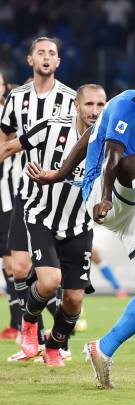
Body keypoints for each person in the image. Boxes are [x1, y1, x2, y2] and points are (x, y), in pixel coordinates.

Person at [27, 67, 135, 388]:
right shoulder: (124, 106)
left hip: (129, 204)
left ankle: (102, 349)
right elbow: (113, 153)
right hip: (104, 195)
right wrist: (102, 196)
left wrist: (60, 172)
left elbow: (91, 135)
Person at [0, 84, 106, 365]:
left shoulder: (109, 141)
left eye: (100, 105)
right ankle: (29, 324)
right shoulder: (51, 127)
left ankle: (54, 346)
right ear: (76, 106)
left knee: (73, 300)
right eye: (89, 105)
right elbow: (10, 146)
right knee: (49, 281)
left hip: (79, 225)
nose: (95, 111)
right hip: (41, 216)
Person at [0, 37, 76, 348]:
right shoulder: (16, 99)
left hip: (62, 195)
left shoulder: (72, 99)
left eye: (52, 53)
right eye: (40, 53)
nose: (46, 57)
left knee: (59, 278)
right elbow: (5, 140)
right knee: (19, 267)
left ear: (58, 62)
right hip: (25, 191)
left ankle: (59, 341)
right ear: (30, 60)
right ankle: (33, 336)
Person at [0, 69, 20, 340]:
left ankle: (23, 324)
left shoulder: (11, 115)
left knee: (15, 262)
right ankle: (16, 323)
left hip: (9, 196)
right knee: (7, 263)